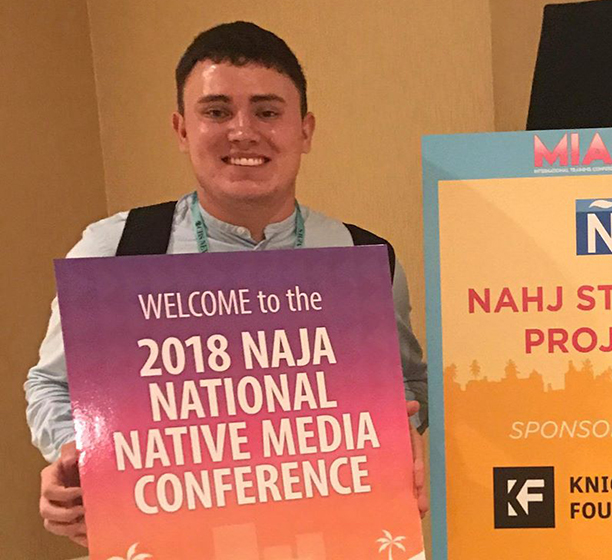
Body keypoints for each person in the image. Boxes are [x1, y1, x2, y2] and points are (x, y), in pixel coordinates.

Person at [25, 21, 429, 548]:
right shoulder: (117, 251)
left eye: (267, 111)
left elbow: (412, 385)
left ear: (304, 130)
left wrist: (406, 439)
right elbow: (50, 385)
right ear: (181, 129)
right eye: (216, 111)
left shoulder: (363, 259)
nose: (243, 131)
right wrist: (79, 462)